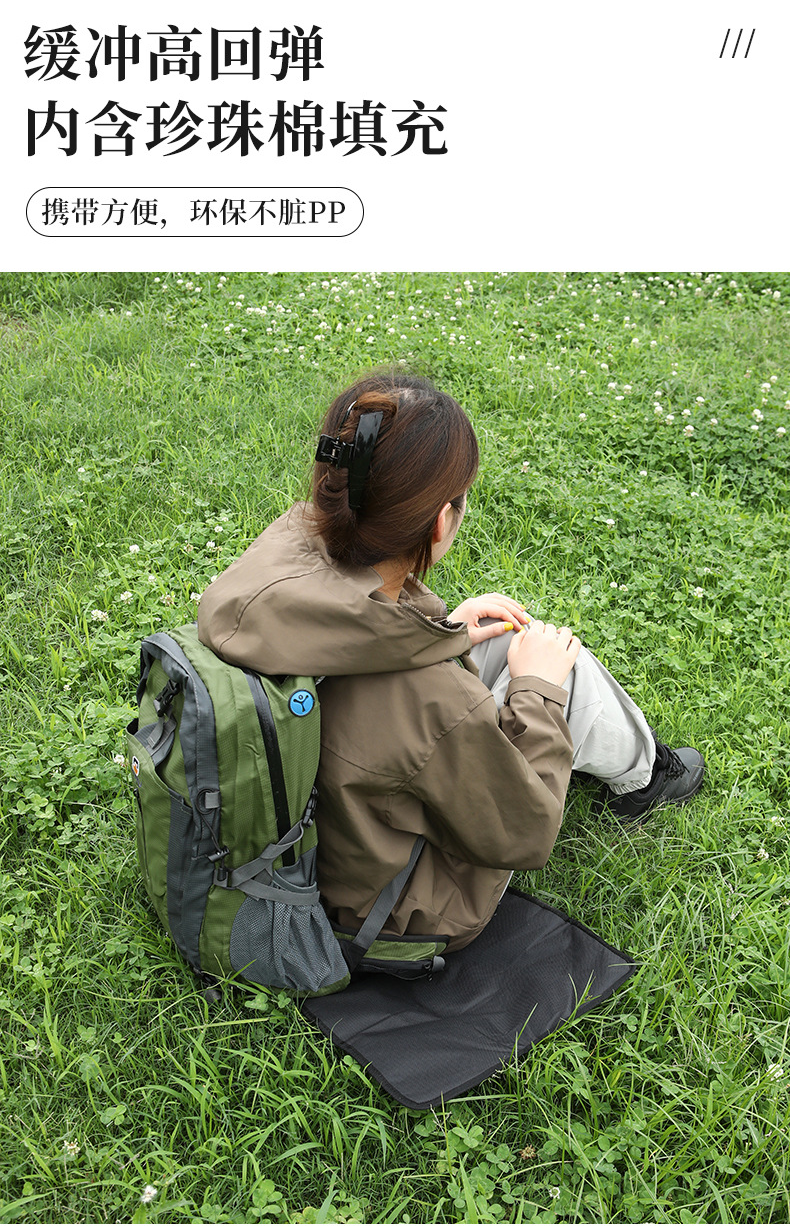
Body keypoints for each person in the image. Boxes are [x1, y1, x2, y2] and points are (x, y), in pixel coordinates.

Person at [197, 372, 704, 954]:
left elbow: (357, 635)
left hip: (291, 847)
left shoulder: (276, 561)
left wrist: (442, 632)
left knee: (496, 644)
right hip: (388, 910)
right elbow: (527, 833)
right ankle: (644, 779)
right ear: (442, 521)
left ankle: (626, 755)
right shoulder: (439, 702)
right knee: (559, 661)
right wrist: (538, 691)